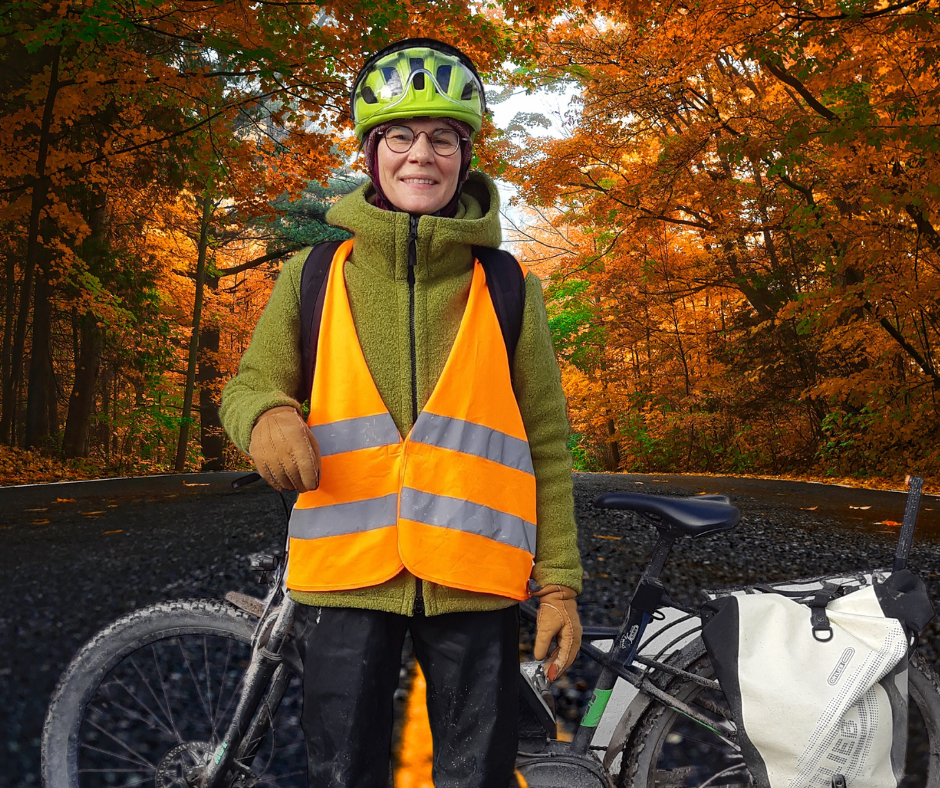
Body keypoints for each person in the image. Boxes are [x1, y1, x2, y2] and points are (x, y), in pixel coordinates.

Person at [220, 38, 583, 788]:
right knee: (341, 771)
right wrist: (264, 417)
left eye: (442, 138)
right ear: (371, 152)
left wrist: (559, 585)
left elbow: (546, 444)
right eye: (400, 136)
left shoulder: (510, 288)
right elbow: (248, 383)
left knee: (475, 776)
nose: (422, 155)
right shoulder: (315, 276)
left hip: (476, 579)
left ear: (465, 155)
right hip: (347, 579)